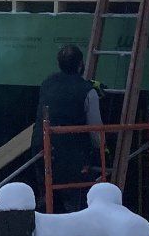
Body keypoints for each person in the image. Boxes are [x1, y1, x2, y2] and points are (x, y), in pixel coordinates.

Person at [36, 43, 104, 205]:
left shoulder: (47, 83)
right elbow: (96, 133)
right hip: (72, 160)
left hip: (43, 153)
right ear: (81, 64)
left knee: (51, 204)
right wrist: (103, 149)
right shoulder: (87, 91)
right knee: (75, 207)